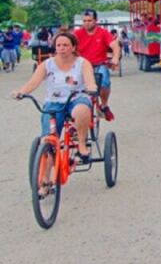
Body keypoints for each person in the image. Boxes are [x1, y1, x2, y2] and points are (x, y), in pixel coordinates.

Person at [12, 32, 98, 165]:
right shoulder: (47, 64)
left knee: (82, 110)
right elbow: (33, 82)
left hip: (76, 99)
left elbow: (89, 79)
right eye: (58, 45)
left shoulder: (83, 63)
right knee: (48, 140)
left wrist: (92, 87)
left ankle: (81, 145)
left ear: (73, 47)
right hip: (53, 103)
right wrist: (21, 92)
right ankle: (45, 182)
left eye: (65, 45)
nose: (62, 48)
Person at [74, 9, 119, 121]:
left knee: (105, 83)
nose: (86, 23)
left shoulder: (103, 33)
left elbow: (115, 46)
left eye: (89, 20)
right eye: (84, 21)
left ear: (95, 21)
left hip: (99, 64)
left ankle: (104, 105)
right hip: (82, 65)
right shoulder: (77, 34)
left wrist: (115, 57)